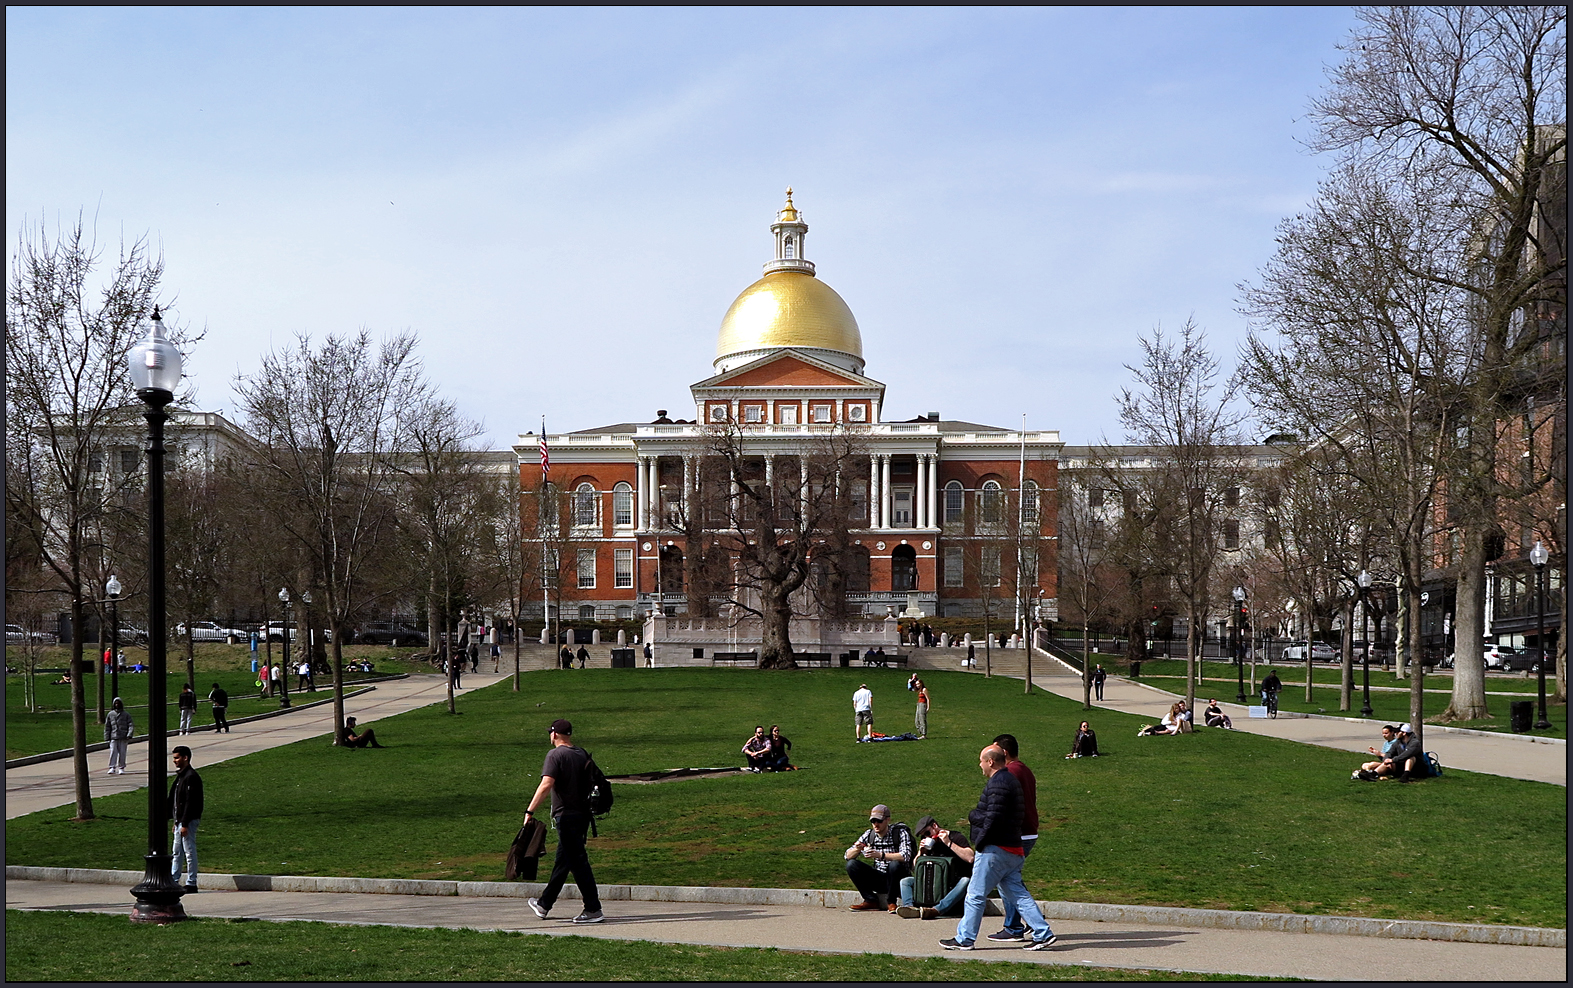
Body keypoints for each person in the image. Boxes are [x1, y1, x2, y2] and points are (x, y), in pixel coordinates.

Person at [940, 746, 1056, 951]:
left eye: (981, 761)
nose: (980, 765)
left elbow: (994, 818)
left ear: (991, 762)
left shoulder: (999, 783)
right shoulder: (1010, 780)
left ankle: (965, 939)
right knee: (1018, 894)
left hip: (996, 849)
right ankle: (1043, 933)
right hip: (1013, 848)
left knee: (975, 894)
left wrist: (980, 838)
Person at [525, 719, 604, 924]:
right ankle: (544, 904)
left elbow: (546, 784)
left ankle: (593, 908)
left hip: (566, 816)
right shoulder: (581, 753)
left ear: (554, 735)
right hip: (582, 815)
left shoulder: (555, 755)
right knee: (564, 861)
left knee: (578, 862)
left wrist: (530, 810)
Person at [985, 734, 1043, 943]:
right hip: (1028, 830)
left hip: (1019, 832)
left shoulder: (1010, 772)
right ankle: (1025, 922)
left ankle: (1014, 926)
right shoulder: (1024, 769)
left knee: (1006, 879)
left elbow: (1004, 802)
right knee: (1010, 877)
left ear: (1004, 752)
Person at [896, 814, 973, 919]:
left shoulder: (956, 837)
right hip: (934, 881)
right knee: (905, 881)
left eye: (928, 833)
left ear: (935, 826)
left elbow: (970, 858)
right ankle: (910, 908)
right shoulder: (930, 845)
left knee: (966, 881)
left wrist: (948, 843)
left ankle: (937, 910)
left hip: (953, 881)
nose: (927, 837)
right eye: (924, 836)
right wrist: (921, 853)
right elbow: (915, 869)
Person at [843, 804, 913, 912]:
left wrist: (881, 855)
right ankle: (870, 899)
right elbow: (847, 856)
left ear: (887, 820)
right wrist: (857, 849)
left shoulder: (899, 833)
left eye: (879, 821)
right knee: (851, 865)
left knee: (894, 864)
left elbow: (906, 856)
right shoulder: (869, 834)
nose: (876, 824)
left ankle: (891, 902)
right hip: (880, 877)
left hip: (898, 878)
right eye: (873, 821)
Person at [169, 745, 203, 893]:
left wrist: (184, 823)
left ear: (185, 758)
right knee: (176, 852)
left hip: (187, 821)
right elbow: (177, 801)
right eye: (174, 758)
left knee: (189, 851)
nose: (174, 761)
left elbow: (191, 802)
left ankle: (191, 882)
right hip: (180, 821)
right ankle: (174, 879)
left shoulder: (191, 777)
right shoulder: (181, 776)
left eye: (177, 757)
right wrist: (176, 821)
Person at [104, 697, 134, 774]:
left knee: (122, 752)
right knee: (113, 751)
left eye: (118, 703)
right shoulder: (110, 714)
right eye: (115, 703)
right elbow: (107, 726)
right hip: (113, 736)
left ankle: (121, 767)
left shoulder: (126, 715)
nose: (117, 705)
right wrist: (107, 736)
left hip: (123, 737)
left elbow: (130, 725)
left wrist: (129, 734)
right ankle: (112, 767)